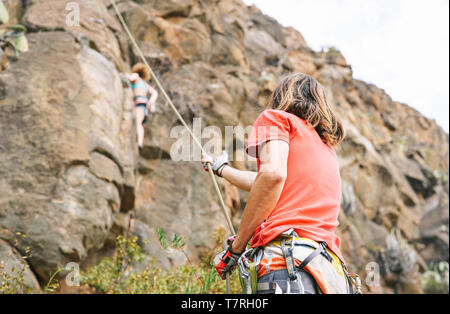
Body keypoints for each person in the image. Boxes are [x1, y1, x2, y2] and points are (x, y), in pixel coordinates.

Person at [203, 73, 356, 294]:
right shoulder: (325, 147)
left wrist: (236, 249)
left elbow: (272, 176)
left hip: (289, 268)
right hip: (330, 275)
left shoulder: (276, 119)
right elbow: (265, 179)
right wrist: (222, 169)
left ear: (281, 96)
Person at [126, 63, 158, 149]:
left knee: (138, 122)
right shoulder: (144, 84)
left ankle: (139, 142)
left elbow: (130, 78)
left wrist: (126, 76)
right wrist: (151, 102)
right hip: (144, 105)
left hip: (138, 103)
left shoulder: (136, 77)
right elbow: (155, 92)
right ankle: (140, 142)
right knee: (140, 123)